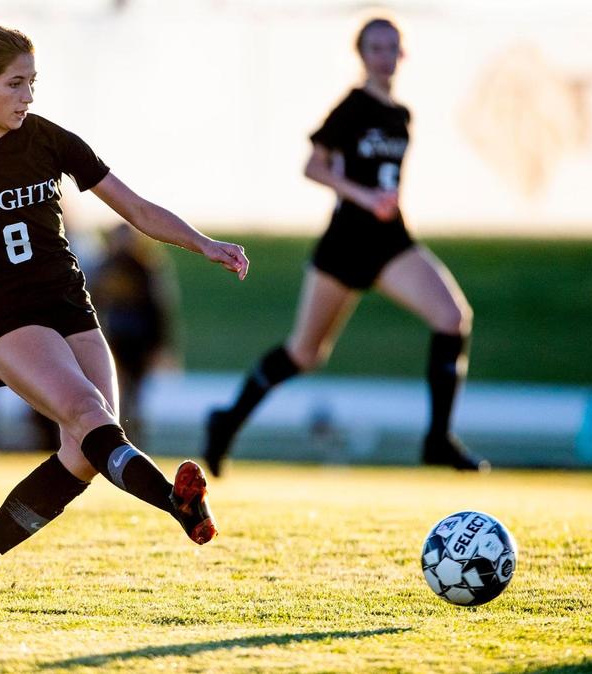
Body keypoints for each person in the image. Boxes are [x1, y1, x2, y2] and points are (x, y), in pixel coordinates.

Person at [0, 25, 249, 603]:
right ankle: (176, 503)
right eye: (15, 84)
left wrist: (203, 243)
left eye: (32, 83)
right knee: (85, 411)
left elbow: (136, 207)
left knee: (83, 452)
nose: (27, 96)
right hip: (3, 314)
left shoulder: (48, 140)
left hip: (70, 305)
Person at [202, 17, 487, 476]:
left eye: (392, 47)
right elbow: (313, 167)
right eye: (375, 47)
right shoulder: (352, 107)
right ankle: (226, 422)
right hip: (347, 241)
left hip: (391, 240)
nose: (385, 56)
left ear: (403, 54)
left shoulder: (402, 115)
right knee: (305, 354)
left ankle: (438, 439)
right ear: (362, 54)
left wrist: (382, 202)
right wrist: (363, 195)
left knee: (453, 317)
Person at [89, 222, 174, 442]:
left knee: (133, 396)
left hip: (137, 343)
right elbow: (91, 302)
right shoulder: (105, 268)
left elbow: (159, 309)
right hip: (113, 341)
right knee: (116, 392)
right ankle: (118, 436)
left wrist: (160, 346)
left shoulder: (145, 269)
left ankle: (131, 437)